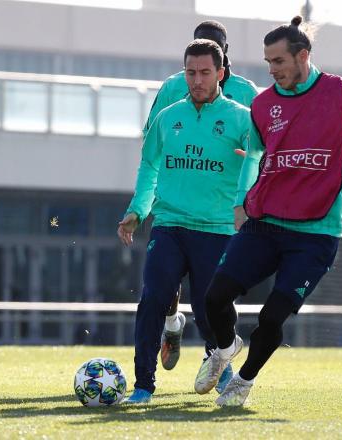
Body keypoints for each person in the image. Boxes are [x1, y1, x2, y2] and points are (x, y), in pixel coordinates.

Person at [194, 16, 342, 407]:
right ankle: (224, 348)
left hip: (316, 235)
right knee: (214, 298)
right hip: (264, 223)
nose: (272, 70)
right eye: (268, 62)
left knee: (270, 318)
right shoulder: (264, 104)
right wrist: (240, 204)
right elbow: (252, 155)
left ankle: (243, 383)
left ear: (303, 56)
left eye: (279, 61)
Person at [117, 39, 251, 404]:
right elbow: (149, 165)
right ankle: (143, 384)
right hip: (170, 225)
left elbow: (261, 159)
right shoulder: (168, 117)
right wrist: (138, 209)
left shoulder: (241, 118)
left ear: (221, 73)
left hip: (218, 230)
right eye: (191, 72)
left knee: (211, 310)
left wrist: (249, 186)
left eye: (205, 72)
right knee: (154, 298)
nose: (197, 80)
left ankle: (222, 367)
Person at [143, 20, 259, 373]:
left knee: (212, 297)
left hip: (224, 212)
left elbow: (261, 148)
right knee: (162, 286)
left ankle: (217, 362)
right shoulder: (173, 88)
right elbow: (151, 137)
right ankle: (171, 324)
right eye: (191, 70)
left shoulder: (245, 92)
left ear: (224, 58)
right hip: (174, 207)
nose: (198, 79)